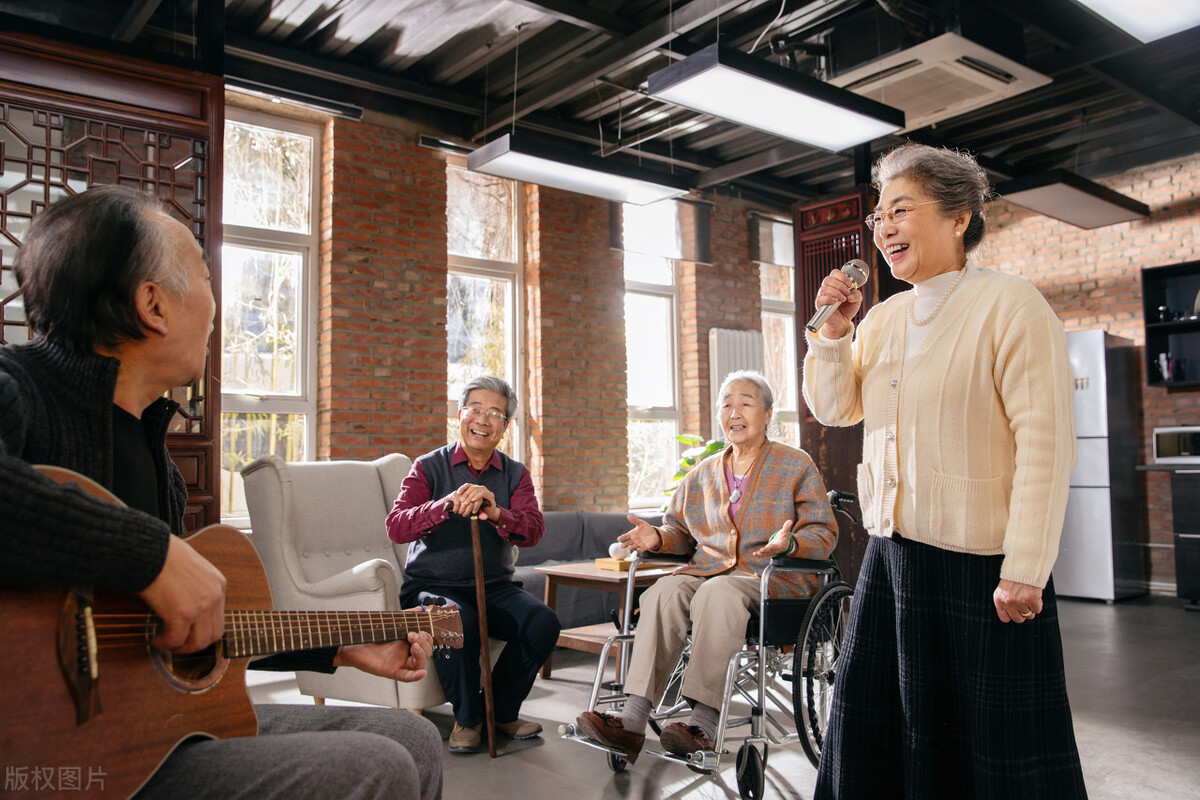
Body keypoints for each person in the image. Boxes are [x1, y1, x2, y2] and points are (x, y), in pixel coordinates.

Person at [0, 185, 443, 800]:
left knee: (413, 738)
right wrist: (150, 553)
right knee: (375, 767)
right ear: (152, 304)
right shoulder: (19, 391)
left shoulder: (153, 451)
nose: (216, 301)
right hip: (58, 760)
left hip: (153, 729)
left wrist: (338, 645)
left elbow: (183, 643)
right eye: (205, 275)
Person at [802, 143, 1087, 799]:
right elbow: (835, 406)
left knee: (992, 747)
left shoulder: (1012, 305)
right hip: (893, 559)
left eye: (902, 209)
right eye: (879, 216)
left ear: (958, 217)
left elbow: (1045, 442)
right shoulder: (886, 317)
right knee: (880, 734)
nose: (885, 227)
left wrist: (1027, 565)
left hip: (983, 567)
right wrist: (835, 336)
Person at [575, 370, 837, 763]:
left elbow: (824, 533)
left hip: (771, 579)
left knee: (718, 592)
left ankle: (703, 721)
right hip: (710, 571)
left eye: (746, 403)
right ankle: (632, 720)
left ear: (767, 414)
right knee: (665, 590)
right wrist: (659, 539)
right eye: (726, 403)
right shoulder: (701, 474)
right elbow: (681, 532)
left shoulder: (794, 466)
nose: (734, 411)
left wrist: (791, 543)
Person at [385, 376, 561, 754]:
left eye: (495, 413)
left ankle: (497, 710)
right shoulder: (428, 467)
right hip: (433, 588)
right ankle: (467, 718)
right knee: (454, 618)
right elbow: (396, 526)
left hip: (495, 587)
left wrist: (497, 512)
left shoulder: (515, 474)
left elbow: (532, 530)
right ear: (460, 415)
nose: (483, 419)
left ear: (505, 427)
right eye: (475, 409)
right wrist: (444, 504)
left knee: (542, 623)